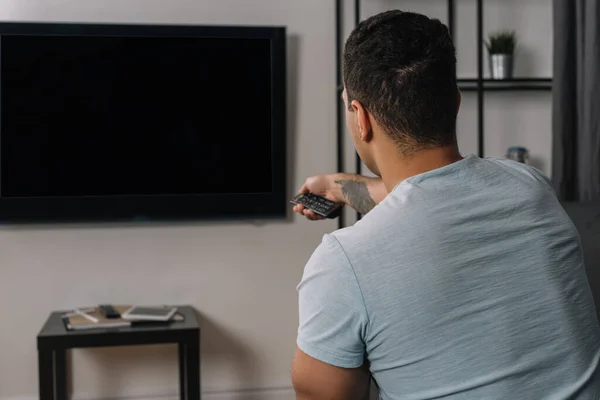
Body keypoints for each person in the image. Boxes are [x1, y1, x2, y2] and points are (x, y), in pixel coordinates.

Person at [290, 9, 600, 400]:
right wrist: (340, 187)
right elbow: (434, 197)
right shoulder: (530, 186)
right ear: (455, 102)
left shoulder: (342, 262)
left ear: (360, 118)